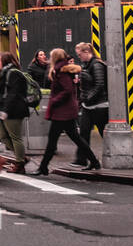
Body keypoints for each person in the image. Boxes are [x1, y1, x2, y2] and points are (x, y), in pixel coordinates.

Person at [35, 47, 99, 175]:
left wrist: (54, 101)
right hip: (65, 111)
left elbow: (68, 90)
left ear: (55, 58)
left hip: (62, 112)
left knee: (53, 140)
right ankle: (94, 161)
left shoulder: (61, 72)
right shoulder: (61, 70)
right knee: (76, 138)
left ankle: (43, 167)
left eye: (51, 56)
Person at [0, 52, 29, 174]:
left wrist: (5, 110)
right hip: (4, 108)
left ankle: (19, 163)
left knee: (15, 137)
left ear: (5, 61)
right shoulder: (4, 72)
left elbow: (13, 94)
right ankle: (22, 157)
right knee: (2, 135)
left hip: (13, 110)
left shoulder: (13, 73)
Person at [74, 42, 108, 168]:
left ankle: (111, 155)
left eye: (80, 54)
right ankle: (86, 160)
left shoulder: (96, 65)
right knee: (83, 133)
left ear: (87, 52)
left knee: (103, 132)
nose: (79, 57)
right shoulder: (86, 65)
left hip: (99, 106)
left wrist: (87, 98)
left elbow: (99, 85)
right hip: (89, 106)